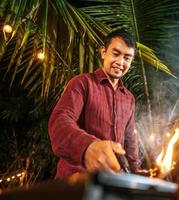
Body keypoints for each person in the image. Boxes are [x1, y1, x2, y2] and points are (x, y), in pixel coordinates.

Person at [48, 29, 140, 178]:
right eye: (116, 54)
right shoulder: (82, 83)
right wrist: (88, 147)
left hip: (112, 185)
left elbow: (130, 144)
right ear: (104, 52)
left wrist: (137, 176)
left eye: (127, 58)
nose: (120, 62)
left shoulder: (129, 98)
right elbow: (60, 120)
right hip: (76, 182)